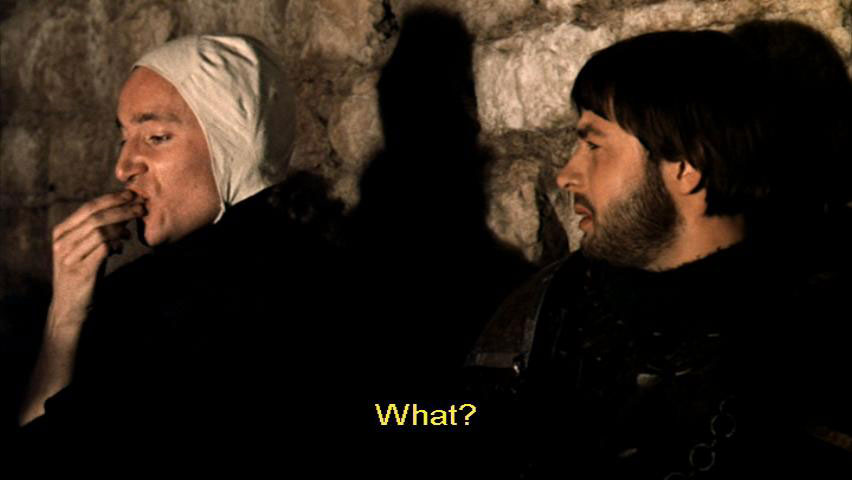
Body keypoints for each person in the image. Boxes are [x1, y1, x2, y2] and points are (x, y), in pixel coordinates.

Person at [465, 30, 852, 478]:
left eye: (594, 145)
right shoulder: (551, 310)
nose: (567, 175)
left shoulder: (818, 353)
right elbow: (457, 419)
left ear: (686, 166)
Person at [16, 34, 344, 447]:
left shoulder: (168, 305)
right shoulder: (321, 255)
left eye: (156, 137)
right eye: (123, 139)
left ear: (232, 142)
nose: (124, 167)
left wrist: (63, 318)